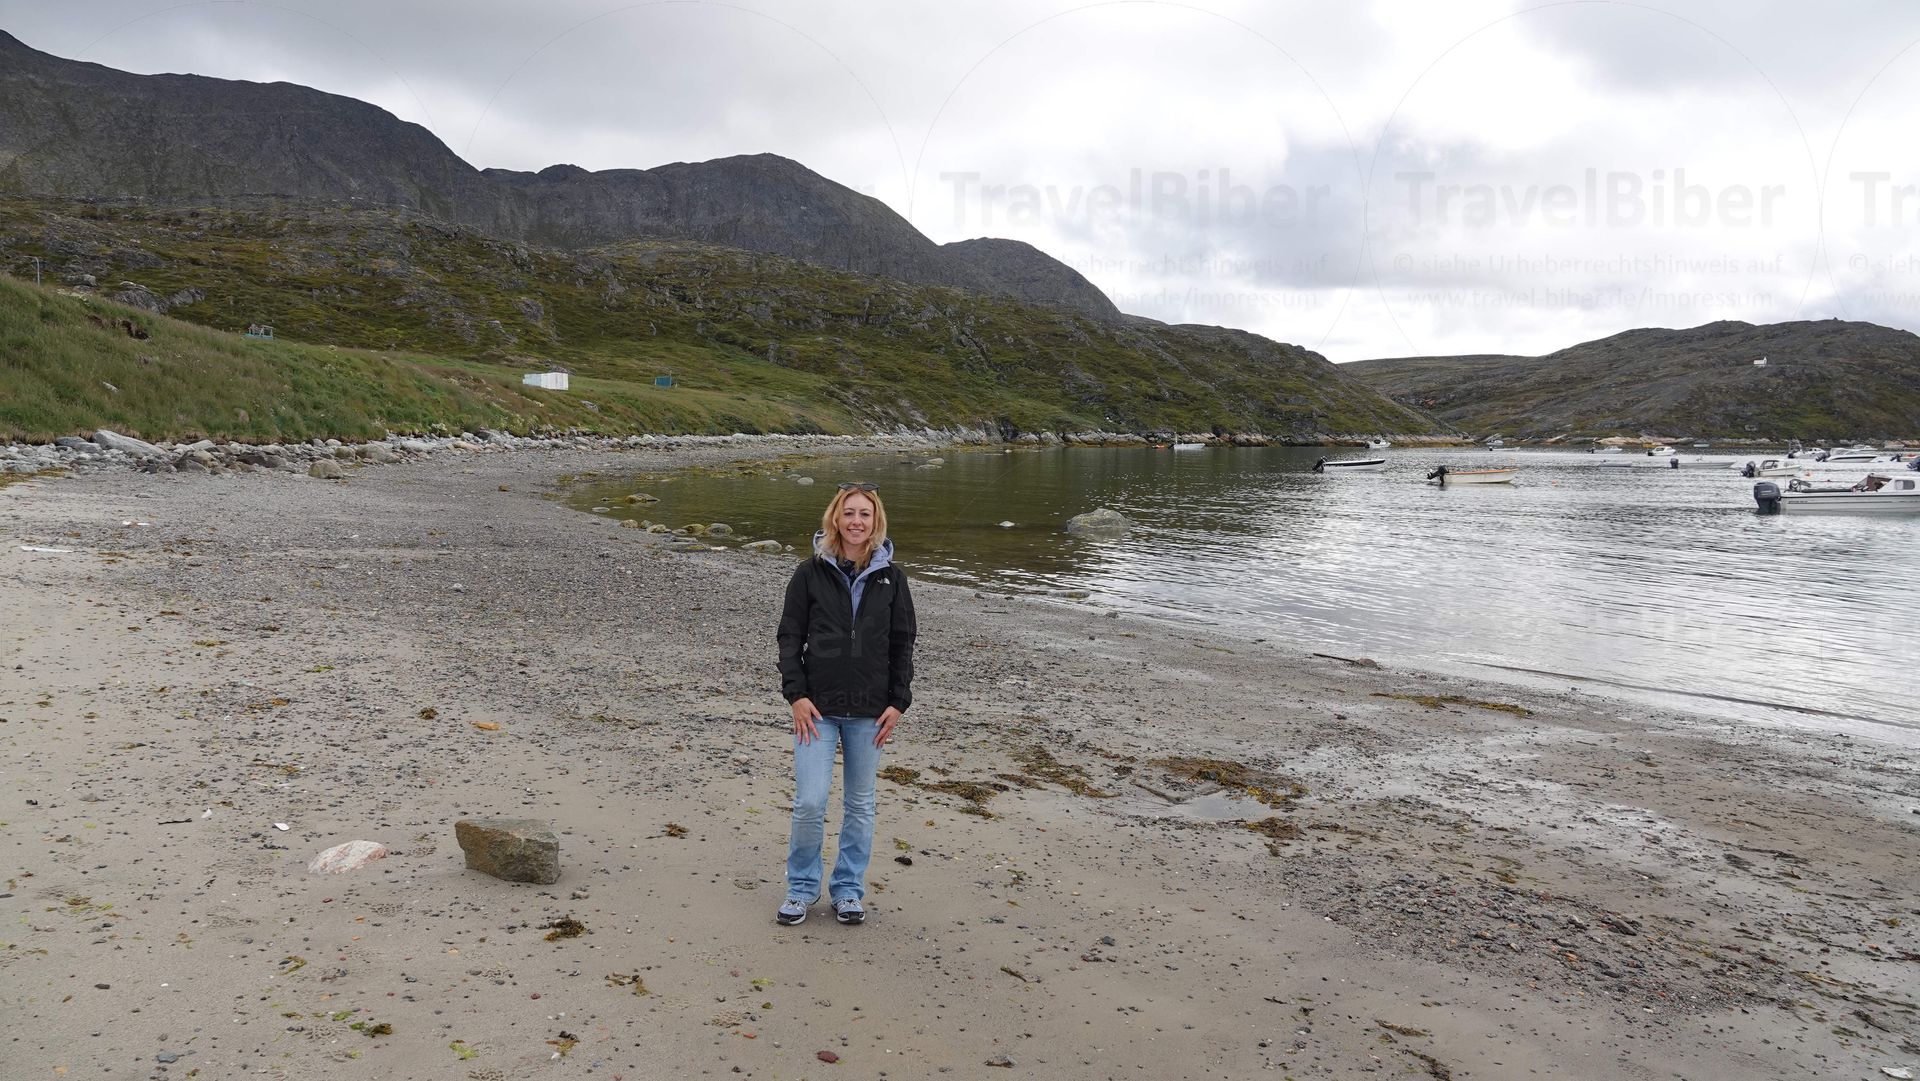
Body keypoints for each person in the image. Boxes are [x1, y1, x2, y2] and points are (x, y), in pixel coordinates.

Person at [774, 482, 917, 926]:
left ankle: (848, 890)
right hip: (816, 709)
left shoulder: (893, 578)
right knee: (810, 802)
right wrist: (796, 695)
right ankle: (801, 889)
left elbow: (903, 643)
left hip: (870, 712)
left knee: (860, 805)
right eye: (849, 513)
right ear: (835, 518)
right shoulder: (809, 573)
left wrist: (899, 700)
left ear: (876, 522)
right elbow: (789, 638)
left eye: (865, 514)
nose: (857, 521)